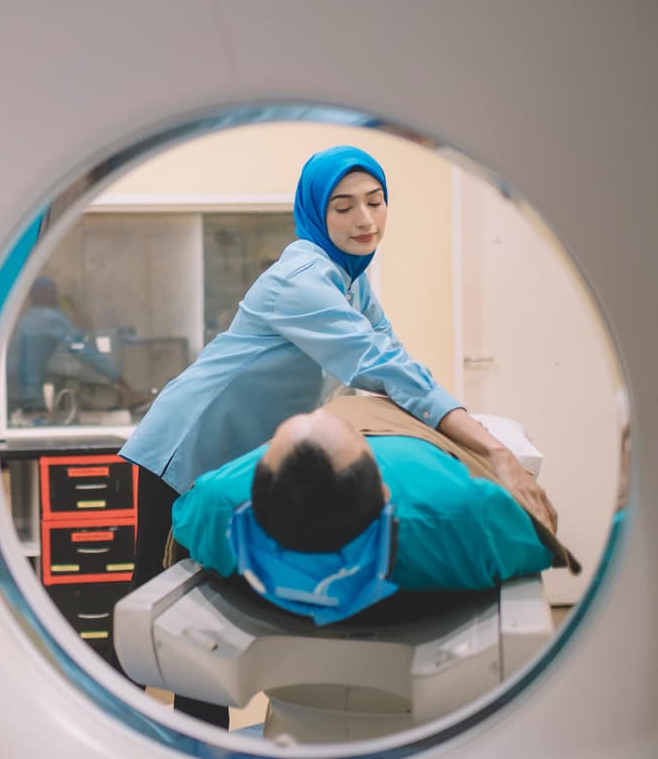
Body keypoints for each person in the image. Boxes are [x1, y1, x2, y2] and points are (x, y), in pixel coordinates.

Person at [117, 146, 554, 724]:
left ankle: (195, 733)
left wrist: (458, 429)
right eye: (344, 207)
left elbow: (397, 361)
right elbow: (381, 367)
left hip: (234, 456)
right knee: (159, 611)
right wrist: (492, 451)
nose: (365, 220)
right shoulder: (300, 279)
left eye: (375, 202)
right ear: (316, 213)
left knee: (201, 615)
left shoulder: (352, 278)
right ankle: (98, 727)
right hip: (185, 443)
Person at [170, 395, 577, 626]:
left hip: (374, 415)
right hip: (408, 435)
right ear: (385, 491)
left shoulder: (218, 503)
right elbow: (538, 534)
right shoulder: (465, 517)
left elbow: (183, 519)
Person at [6, 276, 135, 420]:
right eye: (52, 292)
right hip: (30, 396)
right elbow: (84, 350)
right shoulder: (50, 318)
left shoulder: (21, 319)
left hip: (9, 394)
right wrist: (118, 379)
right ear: (47, 294)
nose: (54, 296)